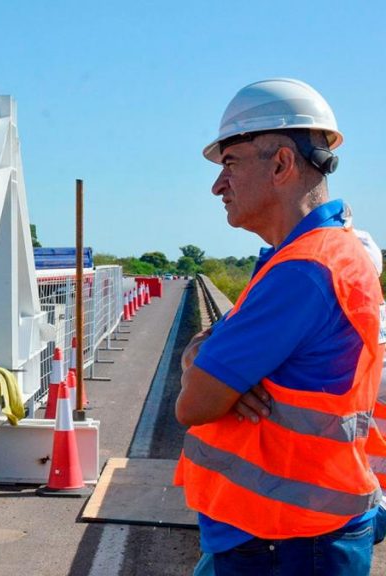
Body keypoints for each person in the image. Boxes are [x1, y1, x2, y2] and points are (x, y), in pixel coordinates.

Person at [175, 78, 384, 575]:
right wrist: (197, 359)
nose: (217, 185)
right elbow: (206, 362)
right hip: (288, 531)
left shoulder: (303, 272)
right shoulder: (320, 255)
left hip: (286, 541)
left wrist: (206, 371)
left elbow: (193, 406)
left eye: (229, 163)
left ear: (281, 164)